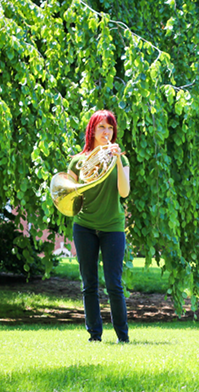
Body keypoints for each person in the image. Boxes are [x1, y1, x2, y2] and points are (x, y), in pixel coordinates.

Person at [68, 110, 130, 343]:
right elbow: (70, 194)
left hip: (112, 225)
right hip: (84, 225)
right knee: (89, 284)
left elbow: (124, 192)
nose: (107, 132)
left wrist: (115, 160)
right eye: (102, 127)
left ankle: (122, 337)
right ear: (92, 130)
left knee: (114, 284)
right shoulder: (78, 161)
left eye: (110, 128)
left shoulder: (120, 159)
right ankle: (95, 336)